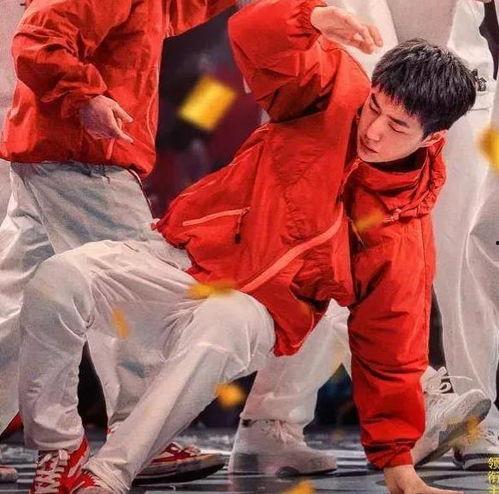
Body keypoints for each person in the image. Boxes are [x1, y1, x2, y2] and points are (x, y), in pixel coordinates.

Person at [17, 1, 477, 493]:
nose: (374, 130)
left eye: (398, 127)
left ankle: (109, 474)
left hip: (257, 309)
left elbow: (390, 342)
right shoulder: (332, 93)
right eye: (375, 108)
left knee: (220, 323)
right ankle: (60, 449)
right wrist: (308, 18)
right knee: (58, 279)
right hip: (183, 258)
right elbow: (252, 31)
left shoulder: (401, 229)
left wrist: (397, 466)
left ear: (432, 138)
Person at [230, 0, 499, 475]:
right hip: (350, 61)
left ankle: (472, 416)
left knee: (457, 259)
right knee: (331, 252)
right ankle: (275, 419)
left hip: (463, 73)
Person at [0, 0, 237, 484]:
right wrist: (83, 97)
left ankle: (137, 436)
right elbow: (36, 41)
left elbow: (170, 11)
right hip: (86, 157)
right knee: (139, 295)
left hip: (53, 155)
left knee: (15, 307)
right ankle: (144, 439)